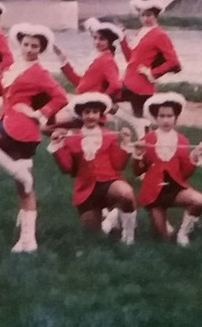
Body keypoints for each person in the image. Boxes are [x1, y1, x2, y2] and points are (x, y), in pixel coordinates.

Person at [0, 23, 69, 253]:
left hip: (20, 128)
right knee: (25, 188)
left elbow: (60, 97)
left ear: (40, 49)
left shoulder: (40, 72)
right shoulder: (11, 67)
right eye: (26, 44)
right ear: (19, 44)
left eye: (34, 46)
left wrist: (38, 114)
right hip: (9, 124)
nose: (29, 48)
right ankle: (28, 241)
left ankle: (14, 169)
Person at [50, 93, 137, 244]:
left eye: (95, 112)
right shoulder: (71, 138)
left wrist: (125, 144)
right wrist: (57, 146)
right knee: (93, 238)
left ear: (100, 114)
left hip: (109, 182)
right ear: (81, 115)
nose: (91, 116)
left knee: (126, 194)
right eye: (87, 112)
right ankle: (110, 220)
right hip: (85, 190)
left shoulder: (110, 135)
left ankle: (128, 236)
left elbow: (119, 165)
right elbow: (67, 169)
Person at [129, 92, 202, 245]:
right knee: (162, 238)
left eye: (169, 116)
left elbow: (185, 173)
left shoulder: (182, 140)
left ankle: (183, 234)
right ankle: (161, 223)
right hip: (153, 193)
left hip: (175, 189)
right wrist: (138, 155)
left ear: (175, 118)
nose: (166, 120)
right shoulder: (147, 139)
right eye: (162, 116)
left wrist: (195, 155)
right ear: (155, 118)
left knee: (198, 200)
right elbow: (137, 171)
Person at [50, 18, 124, 129]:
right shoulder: (99, 58)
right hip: (82, 103)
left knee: (48, 126)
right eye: (95, 38)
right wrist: (63, 60)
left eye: (102, 39)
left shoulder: (106, 60)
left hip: (88, 108)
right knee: (52, 122)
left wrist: (100, 101)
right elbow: (79, 83)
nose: (97, 42)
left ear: (109, 41)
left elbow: (116, 85)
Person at [118, 0, 182, 119]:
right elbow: (130, 59)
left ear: (155, 15)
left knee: (139, 119)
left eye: (149, 15)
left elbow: (173, 61)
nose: (145, 18)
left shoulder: (160, 35)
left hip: (142, 86)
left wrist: (152, 73)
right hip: (129, 81)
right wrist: (123, 40)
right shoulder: (141, 32)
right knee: (107, 99)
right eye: (142, 15)